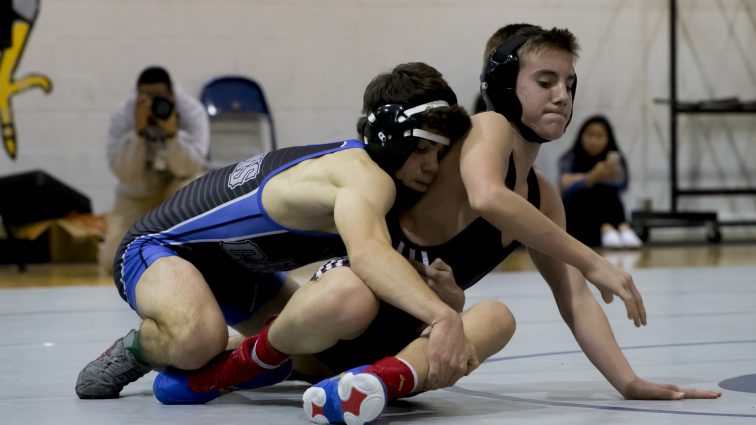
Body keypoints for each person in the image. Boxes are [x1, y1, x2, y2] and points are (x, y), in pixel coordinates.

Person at [149, 25, 718, 425]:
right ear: (502, 83)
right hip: (334, 322)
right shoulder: (486, 130)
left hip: (405, 345)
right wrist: (594, 259)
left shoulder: (543, 197)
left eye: (570, 84)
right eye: (545, 81)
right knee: (347, 294)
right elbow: (488, 196)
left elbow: (573, 297)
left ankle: (371, 388)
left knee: (497, 317)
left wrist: (627, 380)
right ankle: (223, 372)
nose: (563, 96)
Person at [75, 62, 473, 400]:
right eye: (422, 150)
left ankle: (220, 356)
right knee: (196, 338)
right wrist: (443, 317)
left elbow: (384, 265)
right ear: (390, 138)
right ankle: (139, 349)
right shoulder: (361, 175)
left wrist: (445, 295)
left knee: (318, 358)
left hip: (239, 269)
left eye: (440, 154)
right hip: (164, 248)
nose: (432, 167)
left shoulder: (377, 185)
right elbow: (370, 256)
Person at [98, 66, 210, 275]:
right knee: (112, 263)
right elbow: (123, 173)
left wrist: (172, 135)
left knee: (193, 184)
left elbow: (193, 166)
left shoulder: (192, 112)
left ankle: (184, 254)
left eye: (158, 97)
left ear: (172, 94)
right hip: (137, 193)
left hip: (175, 188)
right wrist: (138, 134)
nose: (152, 104)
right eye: (145, 98)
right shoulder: (124, 115)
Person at [558, 115, 642, 248]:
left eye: (599, 136)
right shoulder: (570, 157)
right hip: (578, 216)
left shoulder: (615, 160)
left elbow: (623, 185)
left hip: (608, 207)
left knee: (606, 193)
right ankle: (607, 229)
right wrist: (591, 177)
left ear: (608, 139)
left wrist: (611, 174)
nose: (593, 140)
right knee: (588, 192)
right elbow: (565, 187)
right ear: (581, 136)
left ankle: (621, 227)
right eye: (590, 135)